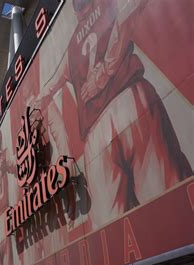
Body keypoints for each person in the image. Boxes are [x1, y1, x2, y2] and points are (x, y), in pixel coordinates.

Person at [35, 0, 191, 227]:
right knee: (171, 208)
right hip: (130, 100)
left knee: (113, 228)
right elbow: (128, 15)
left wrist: (34, 108)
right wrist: (104, 73)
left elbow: (48, 89)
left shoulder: (70, 50)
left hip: (96, 135)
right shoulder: (109, 5)